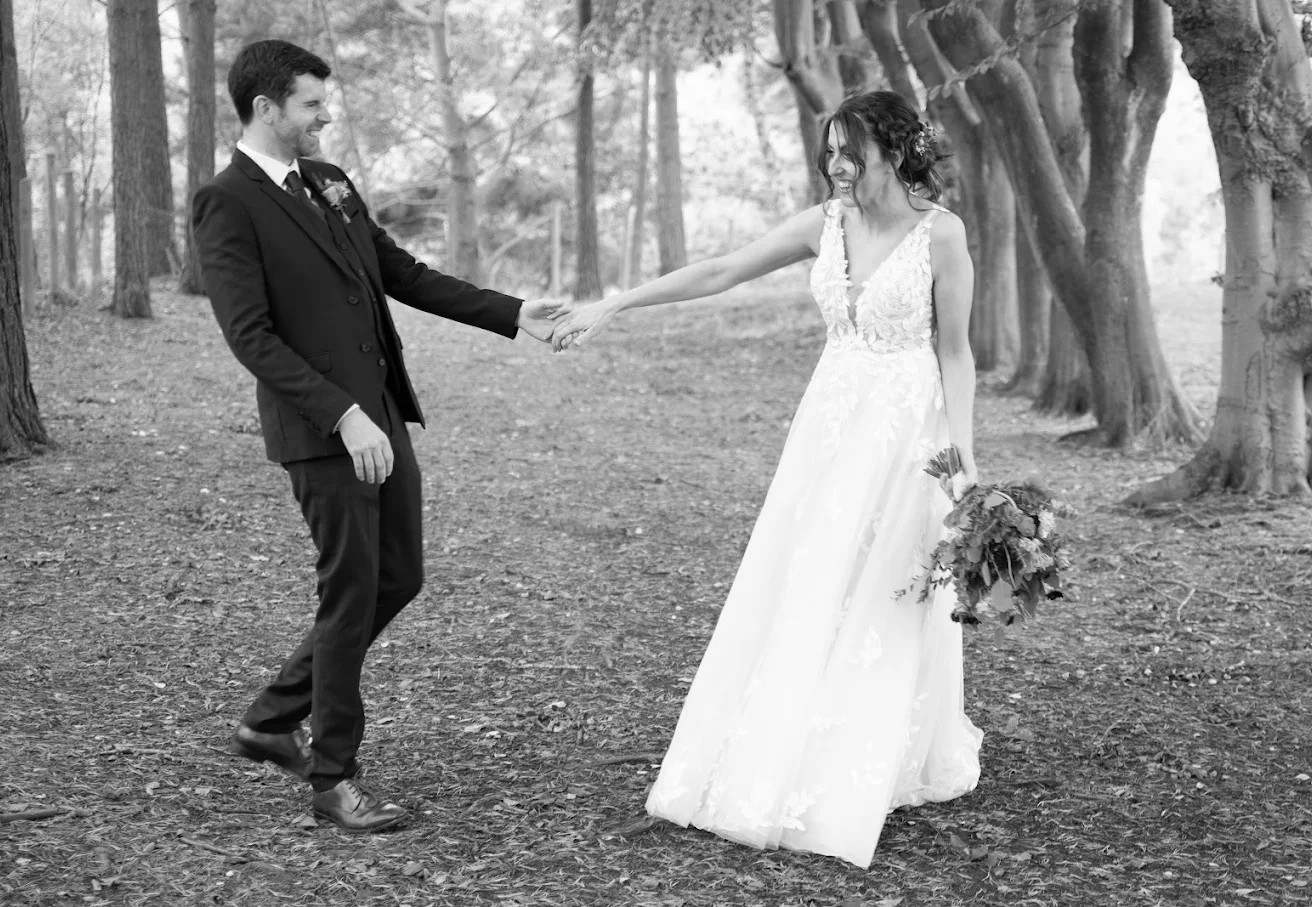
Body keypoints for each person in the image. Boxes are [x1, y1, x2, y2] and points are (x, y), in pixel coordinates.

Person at [550, 90, 983, 867]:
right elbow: (720, 270)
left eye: (852, 150)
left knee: (881, 595)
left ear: (894, 148)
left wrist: (964, 461)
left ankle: (857, 761)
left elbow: (955, 352)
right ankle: (780, 746)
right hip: (825, 433)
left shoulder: (941, 235)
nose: (838, 164)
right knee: (806, 582)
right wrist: (616, 304)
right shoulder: (825, 225)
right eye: (831, 151)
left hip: (905, 438)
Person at [192, 39, 558, 832]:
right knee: (352, 590)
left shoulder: (330, 182)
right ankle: (334, 778)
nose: (328, 116)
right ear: (266, 109)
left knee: (399, 576)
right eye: (313, 105)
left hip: (383, 416)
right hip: (324, 431)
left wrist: (516, 314)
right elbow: (250, 335)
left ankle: (268, 720)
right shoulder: (228, 201)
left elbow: (405, 274)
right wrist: (342, 412)